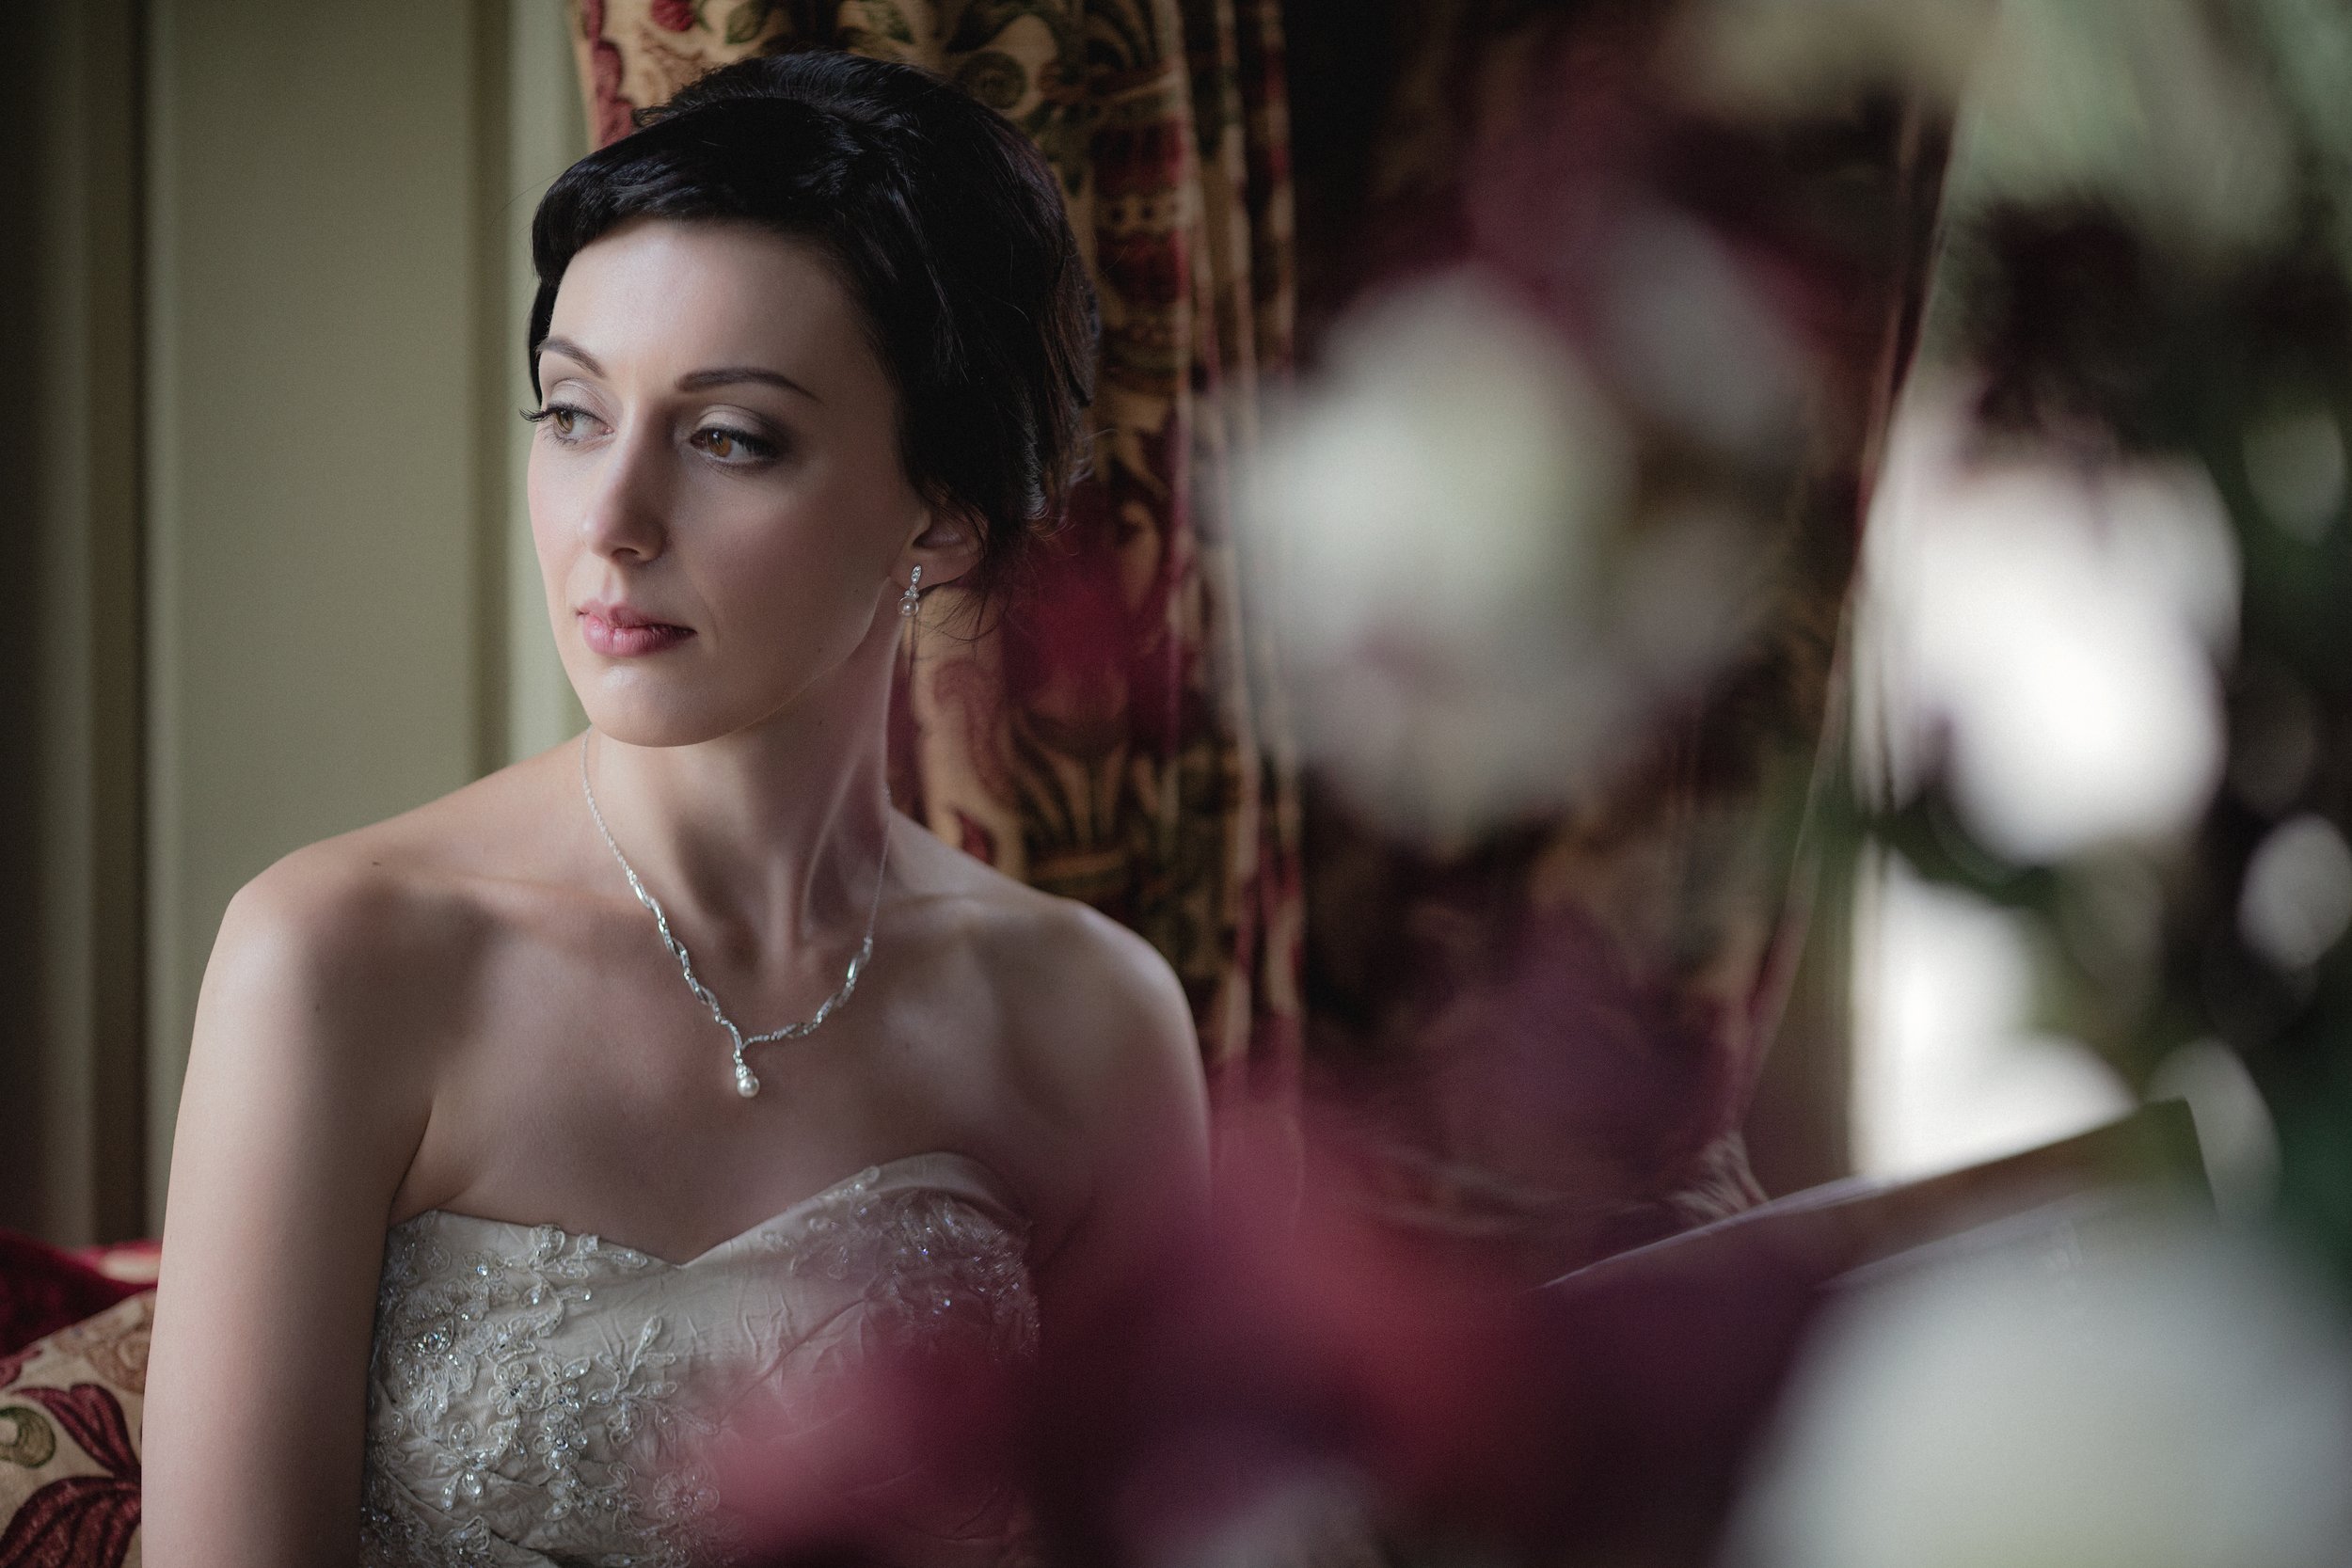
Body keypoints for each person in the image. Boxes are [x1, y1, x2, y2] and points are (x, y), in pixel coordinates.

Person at [143, 47, 1212, 1567]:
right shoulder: (335, 960)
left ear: (946, 515)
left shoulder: (1092, 1020)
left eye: (730, 438)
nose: (612, 520)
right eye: (574, 414)